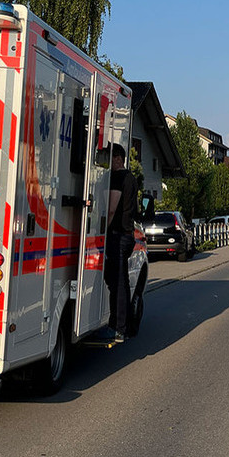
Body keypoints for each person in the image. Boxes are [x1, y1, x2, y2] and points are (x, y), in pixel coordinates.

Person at [100, 144, 137, 343]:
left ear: (117, 158)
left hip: (117, 235)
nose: (107, 163)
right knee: (121, 282)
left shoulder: (118, 178)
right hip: (128, 234)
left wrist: (101, 230)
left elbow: (112, 208)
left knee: (117, 283)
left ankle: (118, 327)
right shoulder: (131, 178)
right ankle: (126, 326)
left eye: (109, 158)